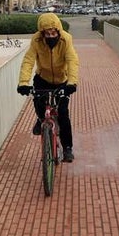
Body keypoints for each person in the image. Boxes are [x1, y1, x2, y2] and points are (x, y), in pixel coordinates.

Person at [16, 12, 80, 162]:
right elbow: (28, 60)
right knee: (38, 103)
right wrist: (23, 83)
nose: (51, 36)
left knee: (63, 114)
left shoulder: (66, 40)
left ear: (58, 30)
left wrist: (72, 83)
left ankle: (68, 148)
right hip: (42, 78)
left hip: (62, 80)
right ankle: (40, 120)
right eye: (47, 34)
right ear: (42, 33)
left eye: (53, 33)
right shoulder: (36, 41)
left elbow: (72, 60)